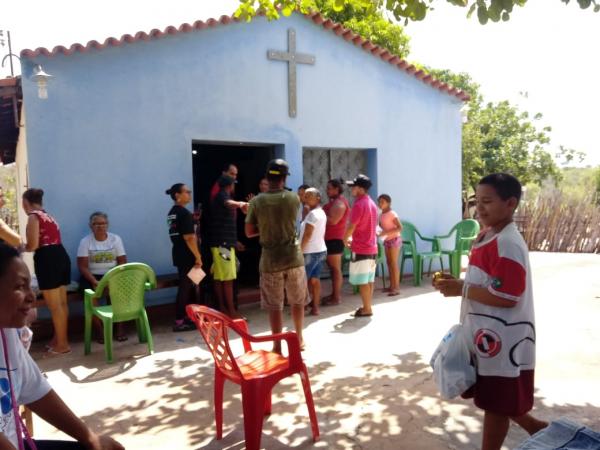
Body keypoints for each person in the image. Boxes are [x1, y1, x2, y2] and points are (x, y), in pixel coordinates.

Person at [434, 173, 547, 450]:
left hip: (502, 336)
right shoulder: (487, 234)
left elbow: (507, 296)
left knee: (495, 403)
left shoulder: (507, 243)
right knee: (495, 392)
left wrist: (462, 289)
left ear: (510, 204)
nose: (479, 208)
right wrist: (461, 282)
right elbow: (490, 281)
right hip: (486, 333)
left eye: (487, 201)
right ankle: (534, 426)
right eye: (477, 201)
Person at [0, 243, 125, 450]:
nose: (31, 297)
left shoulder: (7, 333)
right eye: (20, 286)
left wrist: (90, 439)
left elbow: (35, 390)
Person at [245, 159, 308, 352]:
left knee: (275, 305)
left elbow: (249, 232)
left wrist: (263, 228)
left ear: (267, 177)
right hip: (294, 258)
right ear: (284, 178)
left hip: (270, 261)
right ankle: (298, 339)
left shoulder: (256, 201)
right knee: (297, 302)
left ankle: (277, 345)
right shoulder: (293, 199)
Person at [22, 188, 72, 355]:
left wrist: (20, 247)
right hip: (60, 255)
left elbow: (33, 245)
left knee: (54, 306)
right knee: (62, 303)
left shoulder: (33, 217)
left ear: (25, 203)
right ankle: (59, 339)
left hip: (47, 259)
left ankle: (63, 345)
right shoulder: (49, 216)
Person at [77, 212, 128, 342]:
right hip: (92, 276)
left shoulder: (115, 239)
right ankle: (100, 330)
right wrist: (94, 281)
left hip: (113, 274)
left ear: (108, 225)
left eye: (103, 223)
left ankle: (120, 328)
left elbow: (122, 261)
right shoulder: (85, 241)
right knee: (89, 295)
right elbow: (82, 266)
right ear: (90, 226)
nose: (100, 226)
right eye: (96, 224)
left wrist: (111, 278)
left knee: (120, 291)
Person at [208, 176, 248, 319]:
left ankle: (223, 309)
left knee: (220, 277)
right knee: (228, 279)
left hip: (222, 243)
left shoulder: (220, 197)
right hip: (223, 246)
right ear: (230, 185)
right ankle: (231, 311)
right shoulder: (222, 196)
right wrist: (241, 204)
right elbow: (229, 203)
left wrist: (234, 241)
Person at [166, 183, 202, 332]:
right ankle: (180, 320)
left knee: (191, 285)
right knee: (186, 287)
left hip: (179, 254)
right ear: (177, 195)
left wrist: (194, 220)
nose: (189, 194)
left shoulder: (172, 212)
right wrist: (198, 256)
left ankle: (188, 316)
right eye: (186, 192)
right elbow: (189, 238)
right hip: (188, 256)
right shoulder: (184, 213)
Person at [343, 175, 378, 318]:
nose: (352, 188)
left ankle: (367, 308)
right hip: (372, 247)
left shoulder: (359, 204)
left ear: (361, 189)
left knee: (363, 282)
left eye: (354, 186)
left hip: (361, 248)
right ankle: (367, 306)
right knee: (369, 280)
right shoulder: (372, 203)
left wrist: (345, 239)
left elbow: (352, 226)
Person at [321, 178, 350, 306]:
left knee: (335, 269)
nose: (327, 191)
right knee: (333, 270)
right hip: (329, 239)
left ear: (337, 189)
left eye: (329, 188)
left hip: (335, 240)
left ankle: (336, 297)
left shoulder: (340, 203)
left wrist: (318, 212)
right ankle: (334, 295)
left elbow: (333, 221)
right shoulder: (334, 202)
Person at [299, 188, 327, 316]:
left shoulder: (312, 214)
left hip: (309, 251)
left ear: (318, 198)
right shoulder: (321, 212)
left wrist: (300, 251)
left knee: (303, 281)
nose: (306, 198)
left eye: (310, 195)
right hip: (320, 250)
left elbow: (308, 235)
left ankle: (303, 307)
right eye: (305, 195)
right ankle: (315, 307)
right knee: (315, 280)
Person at [377, 194, 403, 296]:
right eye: (379, 202)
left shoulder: (392, 213)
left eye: (382, 202)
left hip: (394, 239)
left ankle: (396, 288)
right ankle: (391, 286)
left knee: (393, 263)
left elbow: (400, 227)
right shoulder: (381, 214)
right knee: (389, 263)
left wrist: (386, 233)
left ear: (388, 203)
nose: (380, 204)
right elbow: (381, 227)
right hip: (387, 241)